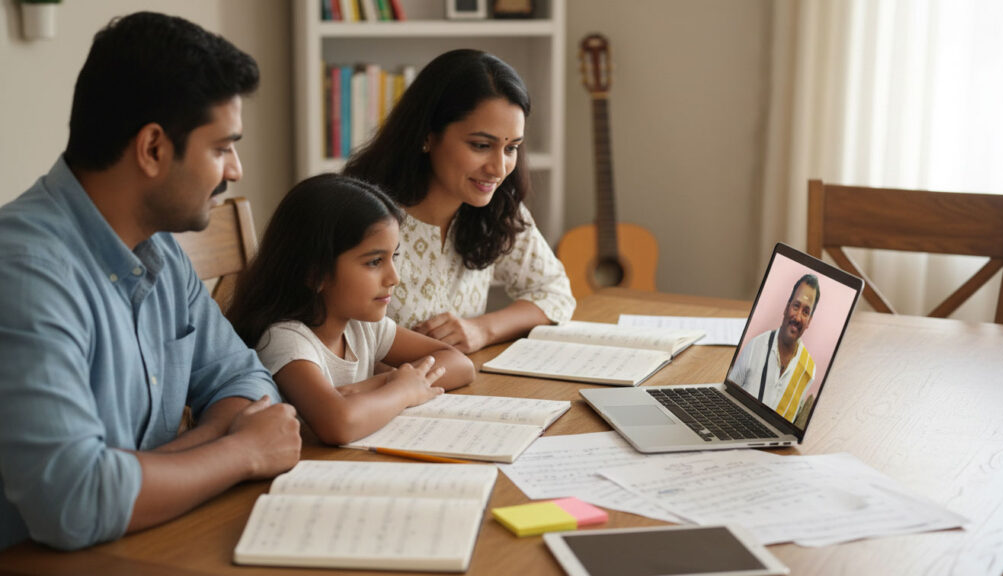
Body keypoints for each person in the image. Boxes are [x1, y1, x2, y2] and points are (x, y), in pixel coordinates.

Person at [0, 12, 301, 551]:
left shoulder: (160, 248)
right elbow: (75, 501)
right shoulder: (24, 273)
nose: (235, 169)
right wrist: (241, 452)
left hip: (150, 543)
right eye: (221, 147)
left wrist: (140, 471)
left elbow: (247, 381)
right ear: (153, 148)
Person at [343, 49, 576, 354]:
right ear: (427, 135)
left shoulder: (499, 208)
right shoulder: (358, 214)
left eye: (511, 148)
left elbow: (555, 293)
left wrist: (482, 329)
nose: (498, 168)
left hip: (463, 390)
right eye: (481, 145)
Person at [227, 174, 476, 445]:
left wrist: (382, 384)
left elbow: (460, 364)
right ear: (315, 273)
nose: (394, 277)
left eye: (394, 256)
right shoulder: (286, 340)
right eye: (374, 262)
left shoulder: (362, 325)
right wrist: (403, 390)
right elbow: (339, 424)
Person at [727, 274, 821, 423]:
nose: (797, 317)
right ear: (786, 308)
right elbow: (726, 397)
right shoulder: (754, 347)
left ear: (809, 321)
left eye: (805, 312)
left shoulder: (809, 371)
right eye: (796, 306)